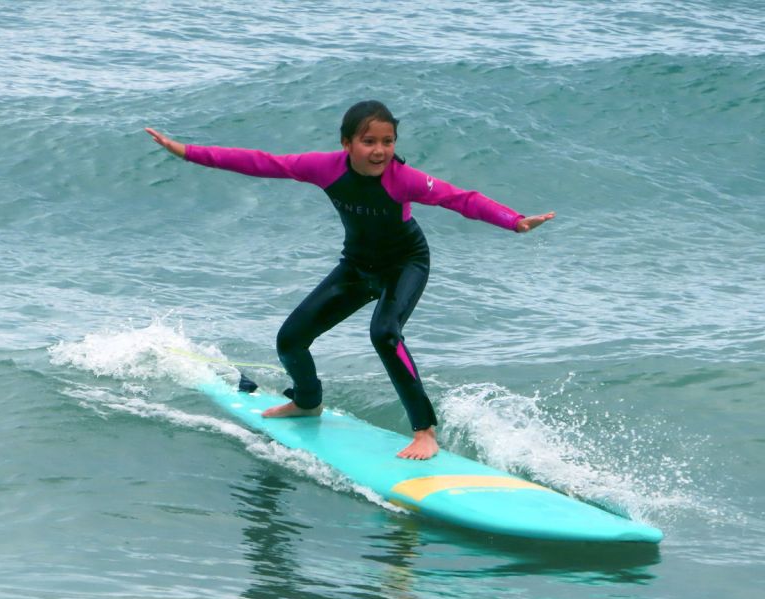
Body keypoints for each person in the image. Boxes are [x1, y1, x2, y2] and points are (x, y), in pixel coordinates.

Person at [145, 100, 554, 460]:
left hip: (405, 263)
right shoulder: (323, 168)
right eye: (369, 141)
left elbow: (460, 199)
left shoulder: (404, 179)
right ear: (347, 144)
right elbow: (262, 162)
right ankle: (307, 403)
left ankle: (425, 431)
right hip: (357, 266)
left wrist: (513, 221)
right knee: (291, 339)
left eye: (388, 141)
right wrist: (187, 153)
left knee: (385, 334)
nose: (380, 151)